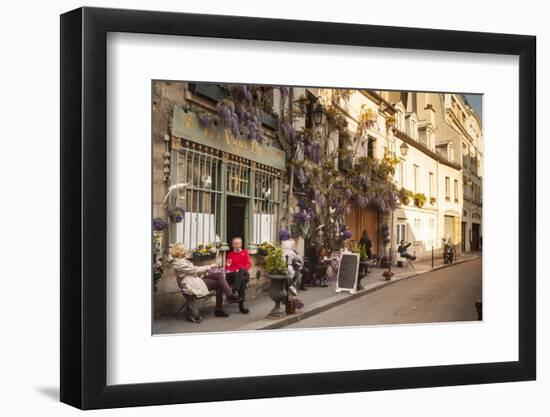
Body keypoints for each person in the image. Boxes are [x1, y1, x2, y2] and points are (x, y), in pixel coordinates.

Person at [170, 243, 240, 322]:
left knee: (219, 276)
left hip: (195, 279)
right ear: (180, 251)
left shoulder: (182, 260)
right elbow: (194, 270)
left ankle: (228, 298)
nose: (186, 251)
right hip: (191, 284)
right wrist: (209, 266)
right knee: (219, 281)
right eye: (185, 249)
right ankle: (224, 302)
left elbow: (194, 268)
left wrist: (206, 270)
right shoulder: (178, 263)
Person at [225, 237, 251, 314]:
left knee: (242, 271)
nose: (238, 245)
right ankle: (241, 306)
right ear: (232, 245)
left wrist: (240, 270)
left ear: (241, 244)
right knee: (241, 281)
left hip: (244, 273)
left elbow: (248, 264)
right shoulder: (230, 254)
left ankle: (234, 290)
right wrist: (235, 270)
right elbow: (227, 267)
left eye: (239, 243)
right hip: (234, 275)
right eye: (236, 244)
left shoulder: (245, 253)